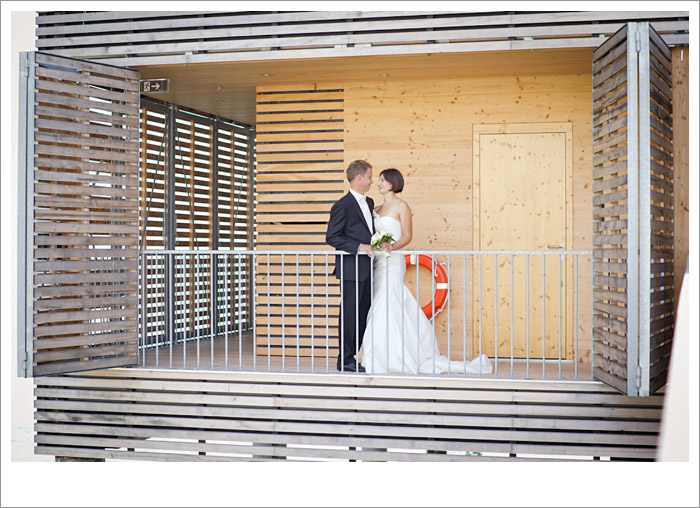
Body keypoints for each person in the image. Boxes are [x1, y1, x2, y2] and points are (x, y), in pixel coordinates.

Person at [360, 168, 492, 375]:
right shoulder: (375, 208)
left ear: (393, 183)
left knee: (389, 301)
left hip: (393, 261)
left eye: (382, 180)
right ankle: (379, 353)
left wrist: (391, 247)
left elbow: (407, 235)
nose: (378, 183)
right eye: (378, 180)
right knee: (379, 302)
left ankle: (393, 356)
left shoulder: (402, 206)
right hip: (378, 263)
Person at [325, 160, 375, 372]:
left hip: (368, 269)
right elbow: (332, 237)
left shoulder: (370, 202)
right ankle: (345, 359)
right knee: (349, 314)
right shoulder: (342, 205)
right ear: (359, 177)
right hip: (350, 269)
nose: (372, 180)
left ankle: (353, 355)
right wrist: (358, 246)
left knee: (364, 313)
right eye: (370, 176)